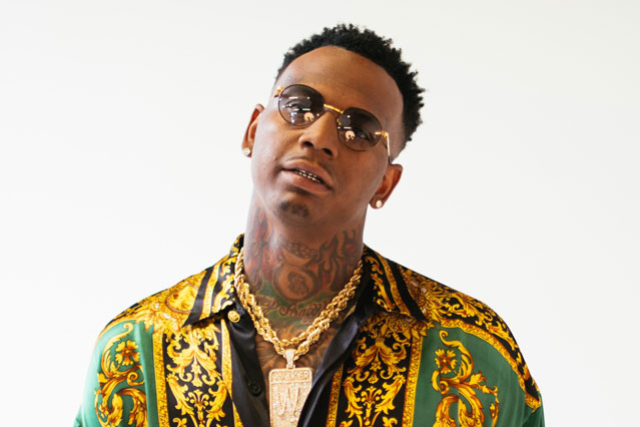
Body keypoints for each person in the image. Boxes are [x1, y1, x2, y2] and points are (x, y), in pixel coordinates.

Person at [75, 24, 544, 427]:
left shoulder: (471, 355)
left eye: (359, 129)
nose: (318, 136)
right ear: (253, 130)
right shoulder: (136, 351)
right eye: (300, 105)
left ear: (386, 182)